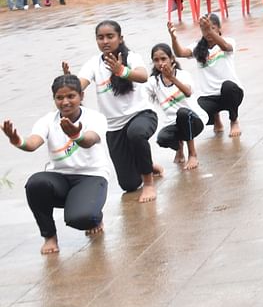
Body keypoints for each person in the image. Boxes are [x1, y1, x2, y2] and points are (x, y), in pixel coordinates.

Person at [3, 73, 110, 255]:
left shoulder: (95, 118)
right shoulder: (47, 120)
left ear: (81, 96)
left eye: (71, 96)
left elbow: (89, 140)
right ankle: (49, 236)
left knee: (80, 219)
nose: (65, 102)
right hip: (60, 178)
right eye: (59, 98)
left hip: (91, 177)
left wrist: (76, 135)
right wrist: (16, 140)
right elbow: (32, 143)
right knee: (36, 183)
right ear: (54, 99)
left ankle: (94, 217)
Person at [70, 20, 161, 202]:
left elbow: (143, 76)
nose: (105, 41)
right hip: (114, 127)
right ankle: (147, 164)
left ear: (120, 38)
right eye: (100, 38)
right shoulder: (93, 64)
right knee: (128, 185)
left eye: (110, 36)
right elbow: (79, 85)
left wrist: (122, 70)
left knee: (136, 133)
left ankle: (149, 183)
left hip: (141, 115)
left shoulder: (132, 57)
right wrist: (68, 84)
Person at [169, 15, 245, 137]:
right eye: (204, 29)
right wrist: (173, 38)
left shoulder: (228, 42)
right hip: (210, 96)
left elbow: (226, 47)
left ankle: (234, 120)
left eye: (212, 28)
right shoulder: (198, 47)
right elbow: (180, 53)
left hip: (230, 92)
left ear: (219, 28)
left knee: (228, 86)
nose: (208, 32)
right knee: (197, 112)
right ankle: (216, 119)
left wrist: (209, 30)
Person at [148, 43, 204, 170]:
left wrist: (172, 79)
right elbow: (141, 95)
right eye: (156, 60)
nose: (160, 63)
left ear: (171, 59)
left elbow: (188, 92)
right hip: (173, 123)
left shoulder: (182, 75)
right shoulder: (153, 81)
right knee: (162, 139)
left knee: (183, 113)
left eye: (163, 59)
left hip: (193, 120)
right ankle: (179, 147)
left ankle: (193, 154)